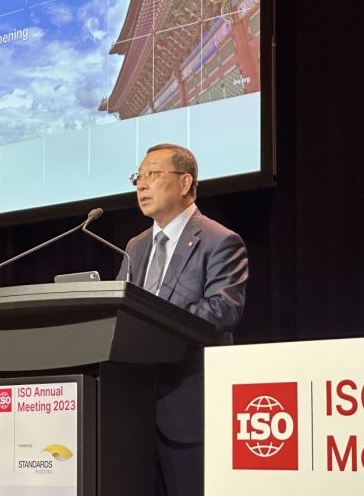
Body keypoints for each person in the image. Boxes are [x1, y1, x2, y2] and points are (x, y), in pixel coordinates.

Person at [116, 143, 248, 496]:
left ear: (185, 182)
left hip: (188, 407)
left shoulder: (220, 240)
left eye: (152, 174)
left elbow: (223, 309)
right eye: (138, 176)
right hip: (132, 407)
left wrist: (155, 321)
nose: (142, 184)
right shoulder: (135, 246)